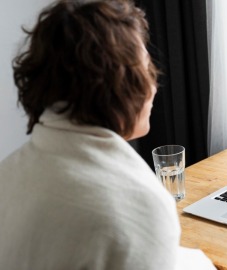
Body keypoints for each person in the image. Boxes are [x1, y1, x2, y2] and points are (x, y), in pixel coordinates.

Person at [0, 1, 214, 269]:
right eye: (146, 68)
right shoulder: (139, 205)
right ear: (123, 85)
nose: (154, 84)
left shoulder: (6, 176)